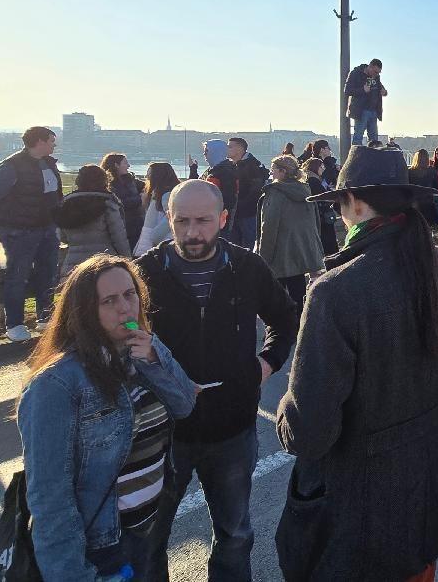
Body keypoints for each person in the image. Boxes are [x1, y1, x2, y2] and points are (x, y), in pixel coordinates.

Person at [274, 146, 438, 581]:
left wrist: (283, 413)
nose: (340, 216)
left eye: (341, 205)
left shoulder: (335, 292)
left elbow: (308, 434)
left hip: (358, 526)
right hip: (430, 504)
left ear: (358, 203)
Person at [135, 180, 300, 581]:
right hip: (162, 431)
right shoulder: (144, 273)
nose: (193, 232)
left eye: (204, 221)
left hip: (232, 428)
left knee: (234, 533)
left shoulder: (248, 267)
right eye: (182, 221)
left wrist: (266, 365)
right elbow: (120, 325)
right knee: (150, 539)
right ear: (169, 220)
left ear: (223, 219)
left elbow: (285, 318)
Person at [17, 255, 196, 581]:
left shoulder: (138, 353)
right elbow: (50, 498)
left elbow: (184, 404)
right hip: (105, 544)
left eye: (130, 295)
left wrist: (157, 357)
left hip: (148, 529)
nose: (126, 309)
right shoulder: (56, 385)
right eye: (109, 301)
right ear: (85, 311)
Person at [0, 125, 64, 342]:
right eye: (51, 141)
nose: (54, 145)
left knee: (47, 273)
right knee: (17, 275)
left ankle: (45, 318)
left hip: (46, 229)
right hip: (20, 232)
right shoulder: (11, 167)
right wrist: (1, 224)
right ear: (39, 141)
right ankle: (15, 324)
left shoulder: (49, 164)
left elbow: (55, 195)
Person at [255, 154, 326, 304]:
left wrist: (264, 257)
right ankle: (300, 323)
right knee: (298, 292)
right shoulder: (305, 190)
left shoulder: (275, 192)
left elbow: (268, 226)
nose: (271, 172)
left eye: (273, 168)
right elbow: (315, 221)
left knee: (276, 297)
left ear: (283, 171)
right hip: (302, 249)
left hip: (280, 252)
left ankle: (281, 325)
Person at [58, 164, 132, 279]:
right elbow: (119, 237)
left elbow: (62, 235)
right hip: (104, 261)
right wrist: (127, 260)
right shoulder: (108, 203)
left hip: (73, 263)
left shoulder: (67, 204)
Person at [188, 139, 240, 239]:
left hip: (219, 223)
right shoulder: (212, 171)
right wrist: (193, 169)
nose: (204, 154)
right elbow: (194, 187)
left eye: (207, 151)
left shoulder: (225, 172)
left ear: (216, 152)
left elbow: (229, 200)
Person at [225, 138, 269, 248]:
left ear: (240, 149)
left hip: (248, 214)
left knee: (249, 245)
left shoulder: (252, 166)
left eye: (230, 146)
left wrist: (240, 204)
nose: (227, 149)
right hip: (236, 213)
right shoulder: (234, 165)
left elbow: (255, 191)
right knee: (236, 245)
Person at [134, 162, 180, 257]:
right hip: (153, 244)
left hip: (154, 245)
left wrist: (154, 237)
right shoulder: (162, 193)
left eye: (149, 174)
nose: (146, 176)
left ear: (158, 176)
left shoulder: (166, 194)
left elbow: (170, 218)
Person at [103, 153, 146, 251]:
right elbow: (119, 203)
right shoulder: (108, 184)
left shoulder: (131, 180)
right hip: (122, 227)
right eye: (125, 163)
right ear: (116, 165)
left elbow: (147, 186)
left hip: (137, 225)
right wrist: (140, 199)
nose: (128, 166)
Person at [344, 58, 387, 146]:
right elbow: (347, 90)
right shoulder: (356, 73)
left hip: (373, 111)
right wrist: (362, 90)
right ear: (370, 67)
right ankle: (356, 158)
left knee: (374, 139)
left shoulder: (376, 77)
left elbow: (380, 87)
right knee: (358, 138)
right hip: (361, 111)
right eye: (375, 72)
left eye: (378, 73)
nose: (376, 74)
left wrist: (384, 91)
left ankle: (373, 158)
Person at [303, 158, 340, 257]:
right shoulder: (313, 180)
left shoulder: (313, 179)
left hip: (320, 215)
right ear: (316, 167)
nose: (323, 169)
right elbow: (322, 195)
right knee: (328, 241)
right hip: (322, 216)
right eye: (321, 166)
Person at [408, 148, 438, 237]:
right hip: (429, 202)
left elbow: (407, 186)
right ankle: (433, 243)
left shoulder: (410, 171)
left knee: (417, 225)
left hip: (415, 203)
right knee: (431, 225)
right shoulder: (431, 170)